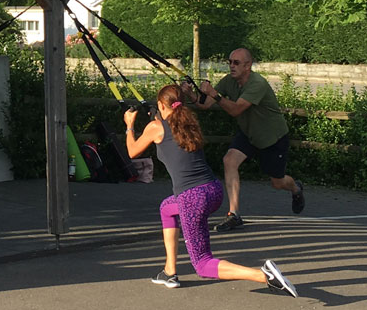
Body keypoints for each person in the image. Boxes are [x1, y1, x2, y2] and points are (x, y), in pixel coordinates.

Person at [124, 85, 298, 297]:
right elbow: (170, 135)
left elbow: (132, 151)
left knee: (203, 264)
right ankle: (169, 271)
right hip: (213, 190)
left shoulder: (155, 127)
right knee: (167, 208)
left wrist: (129, 126)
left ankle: (264, 275)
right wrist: (157, 119)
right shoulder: (189, 123)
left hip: (192, 198)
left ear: (161, 105)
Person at [185, 48, 305, 232]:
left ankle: (296, 188)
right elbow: (206, 104)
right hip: (248, 134)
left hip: (272, 137)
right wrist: (190, 94)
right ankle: (233, 214)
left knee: (277, 182)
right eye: (230, 62)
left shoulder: (258, 84)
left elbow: (236, 110)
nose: (231, 66)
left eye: (236, 63)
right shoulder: (228, 81)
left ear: (248, 66)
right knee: (229, 160)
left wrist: (215, 94)